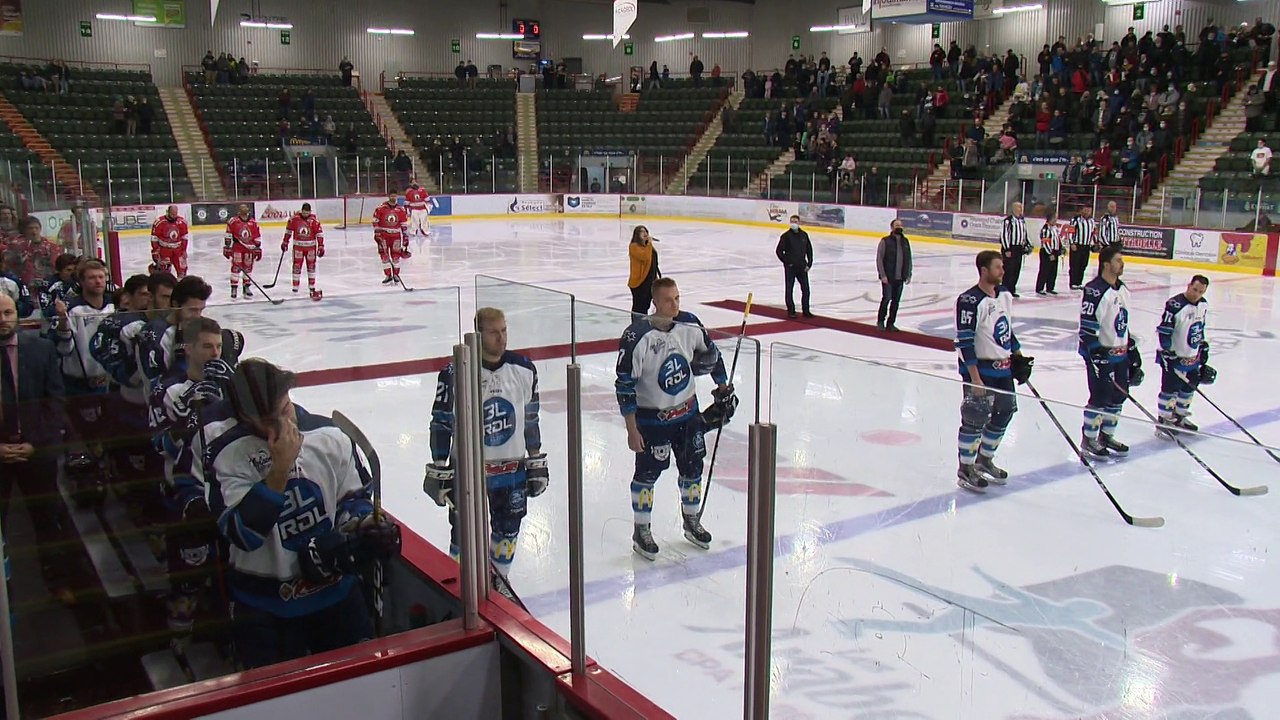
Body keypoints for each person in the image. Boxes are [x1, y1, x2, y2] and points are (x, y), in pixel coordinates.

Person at [196, 358, 399, 668]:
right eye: (268, 420)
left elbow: (352, 500)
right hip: (264, 607)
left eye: (285, 410)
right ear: (244, 416)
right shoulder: (227, 457)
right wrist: (279, 471)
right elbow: (242, 534)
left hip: (336, 597)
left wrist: (364, 527)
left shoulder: (329, 435)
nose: (283, 426)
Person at [615, 277, 735, 561]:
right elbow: (624, 385)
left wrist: (723, 388)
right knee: (647, 475)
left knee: (693, 469)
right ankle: (641, 530)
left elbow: (712, 355)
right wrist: (632, 429)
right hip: (652, 420)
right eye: (669, 300)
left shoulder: (690, 323)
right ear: (655, 302)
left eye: (678, 298)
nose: (675, 304)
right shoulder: (636, 336)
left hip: (688, 414)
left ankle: (691, 521)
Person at [424, 308, 546, 577]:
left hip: (511, 472)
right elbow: (442, 421)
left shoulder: (524, 368)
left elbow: (530, 417)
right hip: (470, 472)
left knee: (508, 534)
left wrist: (535, 459)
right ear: (478, 335)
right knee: (464, 538)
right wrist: (439, 466)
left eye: (504, 330)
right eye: (493, 332)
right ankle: (460, 589)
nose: (501, 338)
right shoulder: (455, 372)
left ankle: (499, 586)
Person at [150, 316, 235, 653]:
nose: (215, 353)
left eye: (218, 346)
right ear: (187, 348)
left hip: (228, 494)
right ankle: (180, 639)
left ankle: (226, 636)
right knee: (187, 576)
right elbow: (159, 445)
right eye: (206, 346)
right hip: (185, 496)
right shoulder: (168, 388)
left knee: (228, 574)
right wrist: (190, 415)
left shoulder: (230, 383)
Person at [1, 293, 77, 604]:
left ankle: (57, 581)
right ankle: (4, 589)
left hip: (37, 451)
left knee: (47, 519)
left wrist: (37, 442)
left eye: (7, 312)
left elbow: (55, 401)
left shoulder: (40, 349)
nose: (2, 319)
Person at [955, 250, 1027, 492]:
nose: (1002, 271)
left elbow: (1007, 329)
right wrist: (974, 377)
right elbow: (964, 341)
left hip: (1003, 370)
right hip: (981, 371)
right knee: (975, 418)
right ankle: (966, 467)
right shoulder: (970, 301)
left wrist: (1017, 356)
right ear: (984, 271)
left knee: (1005, 412)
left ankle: (984, 459)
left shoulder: (1004, 295)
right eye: (998, 267)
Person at [1079, 246, 1141, 458]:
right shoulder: (1095, 290)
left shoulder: (1123, 290)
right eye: (1118, 260)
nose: (1122, 264)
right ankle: (1089, 438)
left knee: (1119, 395)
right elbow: (1087, 327)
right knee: (1100, 396)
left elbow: (1122, 323)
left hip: (1120, 354)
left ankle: (1107, 435)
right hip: (1100, 355)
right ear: (1106, 264)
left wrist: (1131, 348)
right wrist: (1096, 355)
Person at [1155, 276, 1213, 436]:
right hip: (1175, 356)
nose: (1197, 294)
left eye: (1201, 291)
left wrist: (1202, 347)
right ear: (1189, 286)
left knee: (1189, 387)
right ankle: (1164, 420)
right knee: (1169, 389)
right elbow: (1164, 330)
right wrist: (1167, 351)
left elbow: (1200, 327)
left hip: (1192, 356)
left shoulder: (1203, 304)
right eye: (1195, 289)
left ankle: (1180, 417)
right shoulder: (1175, 305)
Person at [281, 203, 325, 300]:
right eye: (304, 212)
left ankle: (312, 286)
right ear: (302, 211)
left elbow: (319, 234)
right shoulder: (294, 219)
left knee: (311, 266)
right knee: (297, 266)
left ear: (310, 212)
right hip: (298, 247)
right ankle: (295, 287)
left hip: (311, 248)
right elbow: (288, 231)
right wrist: (285, 241)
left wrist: (321, 246)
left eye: (307, 212)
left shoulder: (314, 220)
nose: (305, 214)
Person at [875, 218, 912, 331]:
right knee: (887, 298)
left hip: (900, 277)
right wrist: (882, 275)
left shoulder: (905, 241)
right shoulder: (885, 241)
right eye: (896, 225)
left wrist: (908, 274)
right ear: (892, 227)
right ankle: (881, 321)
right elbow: (879, 259)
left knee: (896, 301)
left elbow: (908, 259)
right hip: (888, 277)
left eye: (900, 225)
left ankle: (891, 323)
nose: (899, 227)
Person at [776, 215, 814, 319]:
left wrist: (809, 264)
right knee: (789, 289)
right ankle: (791, 311)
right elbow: (779, 251)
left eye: (795, 221)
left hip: (802, 267)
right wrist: (787, 262)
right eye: (792, 221)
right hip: (790, 268)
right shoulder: (786, 236)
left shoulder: (804, 235)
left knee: (806, 289)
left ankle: (806, 311)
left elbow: (809, 250)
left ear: (799, 222)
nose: (793, 223)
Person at [224, 205, 262, 300]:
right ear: (239, 211)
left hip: (249, 249)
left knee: (248, 268)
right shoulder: (233, 221)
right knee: (235, 268)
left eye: (245, 209)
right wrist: (227, 246)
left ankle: (246, 287)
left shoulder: (253, 223)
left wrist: (258, 248)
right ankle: (234, 288)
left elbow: (257, 236)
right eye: (242, 209)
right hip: (237, 247)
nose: (244, 211)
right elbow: (228, 234)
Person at [371, 194, 409, 285]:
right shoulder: (381, 208)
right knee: (384, 256)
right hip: (383, 235)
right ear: (389, 197)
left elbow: (404, 224)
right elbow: (375, 221)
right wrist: (377, 233)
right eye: (392, 196)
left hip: (396, 236)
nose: (393, 198)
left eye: (395, 196)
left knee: (396, 256)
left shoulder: (401, 209)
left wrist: (405, 236)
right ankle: (388, 276)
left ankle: (396, 275)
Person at [999, 202, 1030, 297]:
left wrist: (1026, 244)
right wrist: (1007, 249)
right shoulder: (1008, 221)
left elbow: (1024, 234)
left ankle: (1012, 289)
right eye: (1019, 207)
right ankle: (1005, 289)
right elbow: (1004, 235)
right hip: (1010, 248)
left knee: (1017, 268)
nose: (1021, 209)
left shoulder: (1022, 221)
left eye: (1021, 207)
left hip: (1019, 248)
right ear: (1014, 209)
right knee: (1009, 269)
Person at [151, 205, 191, 279]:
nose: (174, 217)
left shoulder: (182, 222)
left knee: (182, 272)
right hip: (164, 250)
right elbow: (154, 238)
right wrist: (155, 251)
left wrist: (184, 250)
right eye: (172, 214)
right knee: (164, 275)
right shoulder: (159, 222)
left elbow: (184, 237)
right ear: (168, 212)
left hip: (178, 250)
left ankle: (181, 286)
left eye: (175, 214)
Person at [627, 225, 659, 316]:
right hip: (640, 282)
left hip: (649, 281)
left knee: (645, 306)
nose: (645, 233)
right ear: (637, 235)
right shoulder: (633, 246)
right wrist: (649, 243)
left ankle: (643, 324)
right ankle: (637, 325)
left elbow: (653, 263)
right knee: (639, 307)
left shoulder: (647, 246)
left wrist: (655, 277)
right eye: (642, 232)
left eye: (646, 231)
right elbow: (644, 257)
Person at [1035, 208, 1064, 296]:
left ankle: (1050, 287)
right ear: (1050, 219)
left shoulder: (1055, 228)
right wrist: (1050, 253)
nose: (1056, 219)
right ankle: (1040, 288)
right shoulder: (1045, 229)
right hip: (1047, 253)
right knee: (1044, 270)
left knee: (1053, 271)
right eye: (1054, 218)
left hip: (1054, 252)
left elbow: (1058, 239)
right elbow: (1045, 242)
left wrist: (1061, 248)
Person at [1068, 204, 1096, 290]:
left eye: (1089, 210)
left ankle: (1079, 282)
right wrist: (1072, 243)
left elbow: (1094, 233)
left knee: (1083, 264)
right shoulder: (1075, 220)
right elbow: (1070, 232)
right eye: (1086, 210)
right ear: (1082, 210)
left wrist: (1095, 243)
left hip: (1086, 246)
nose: (1087, 212)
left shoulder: (1092, 221)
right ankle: (1073, 282)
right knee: (1075, 265)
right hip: (1077, 245)